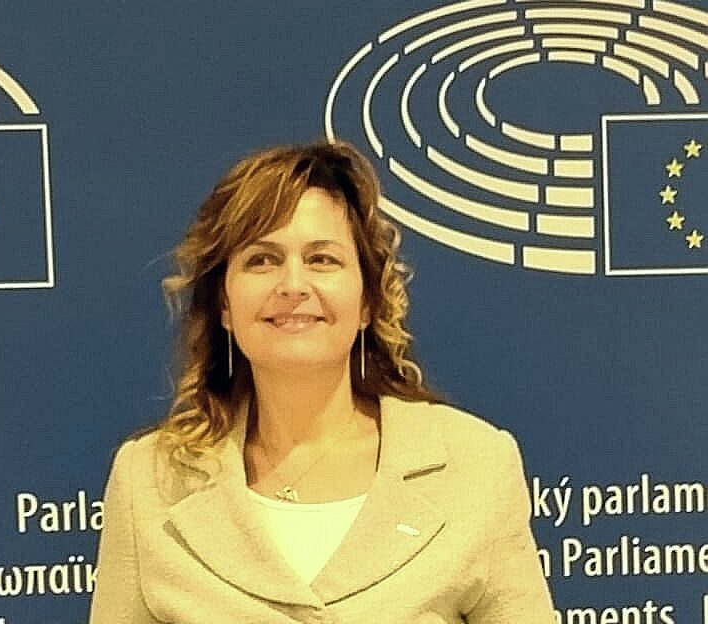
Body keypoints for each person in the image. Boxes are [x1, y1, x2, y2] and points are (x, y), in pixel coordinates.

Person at [89, 140, 556, 623]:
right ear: (224, 304)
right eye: (262, 260)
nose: (292, 285)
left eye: (322, 260)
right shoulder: (147, 481)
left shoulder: (475, 466)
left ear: (368, 301)